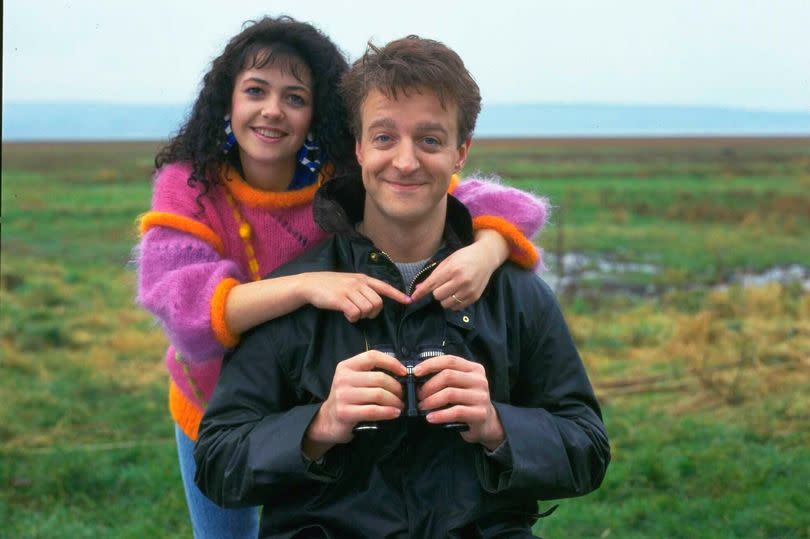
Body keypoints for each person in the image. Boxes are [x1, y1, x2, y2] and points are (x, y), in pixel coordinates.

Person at [136, 16, 549, 539]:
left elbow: (502, 205)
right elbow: (186, 313)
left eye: (294, 97)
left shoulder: (346, 178)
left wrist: (486, 249)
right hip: (216, 410)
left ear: (316, 113)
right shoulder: (188, 185)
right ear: (227, 101)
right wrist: (307, 284)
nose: (272, 110)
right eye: (255, 91)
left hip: (325, 401)